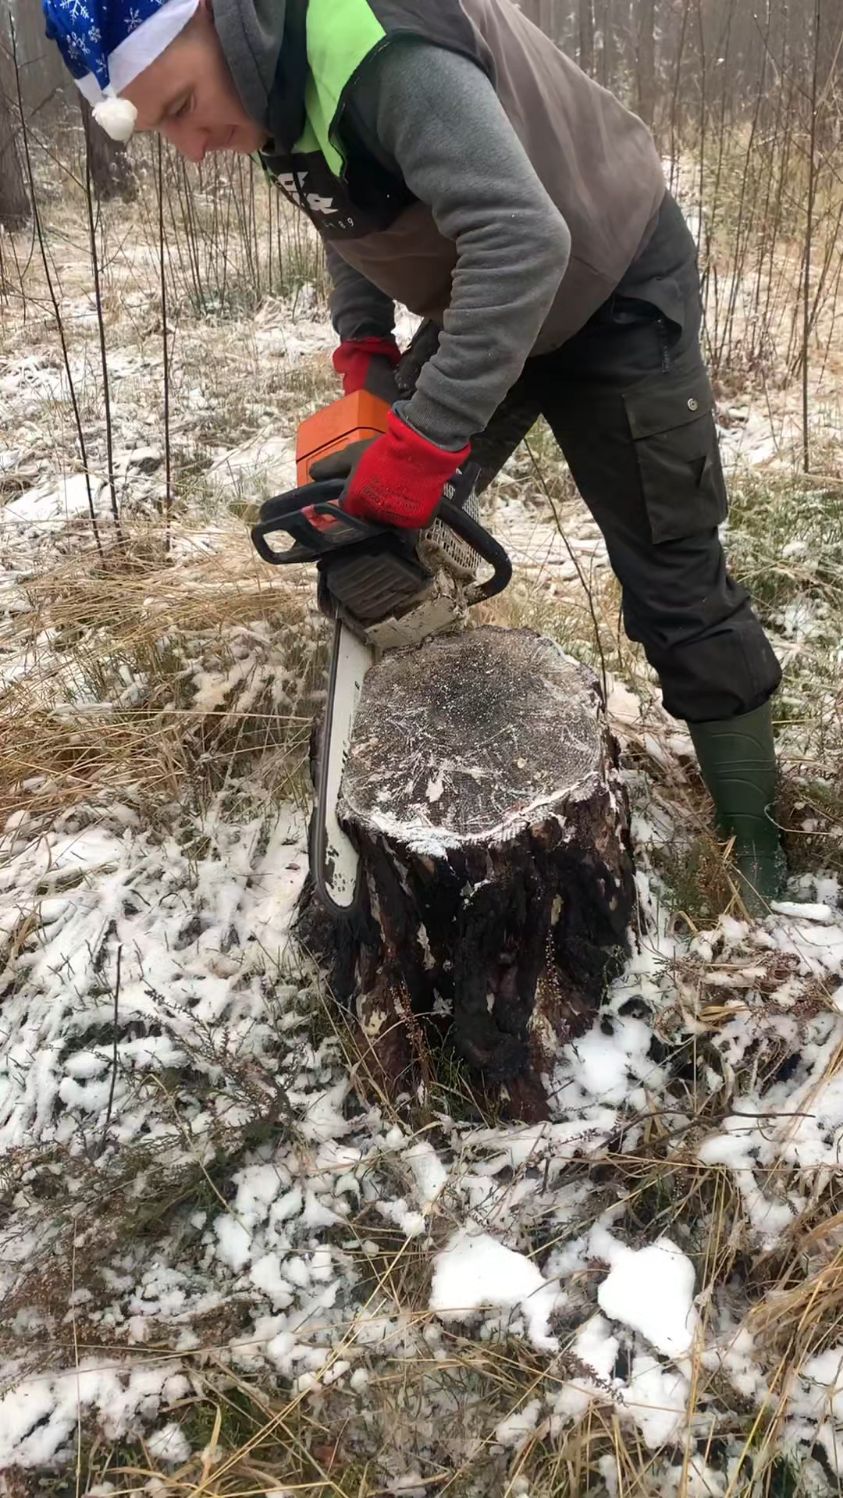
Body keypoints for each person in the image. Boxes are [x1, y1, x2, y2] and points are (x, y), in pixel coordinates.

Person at [45, 0, 784, 909]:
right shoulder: (259, 78)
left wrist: (426, 439)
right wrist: (366, 349)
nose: (193, 146)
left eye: (180, 107)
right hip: (487, 298)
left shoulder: (378, 46)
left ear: (212, 15)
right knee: (372, 521)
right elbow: (346, 207)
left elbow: (525, 237)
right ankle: (402, 765)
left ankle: (756, 838)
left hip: (609, 280)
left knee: (672, 569)